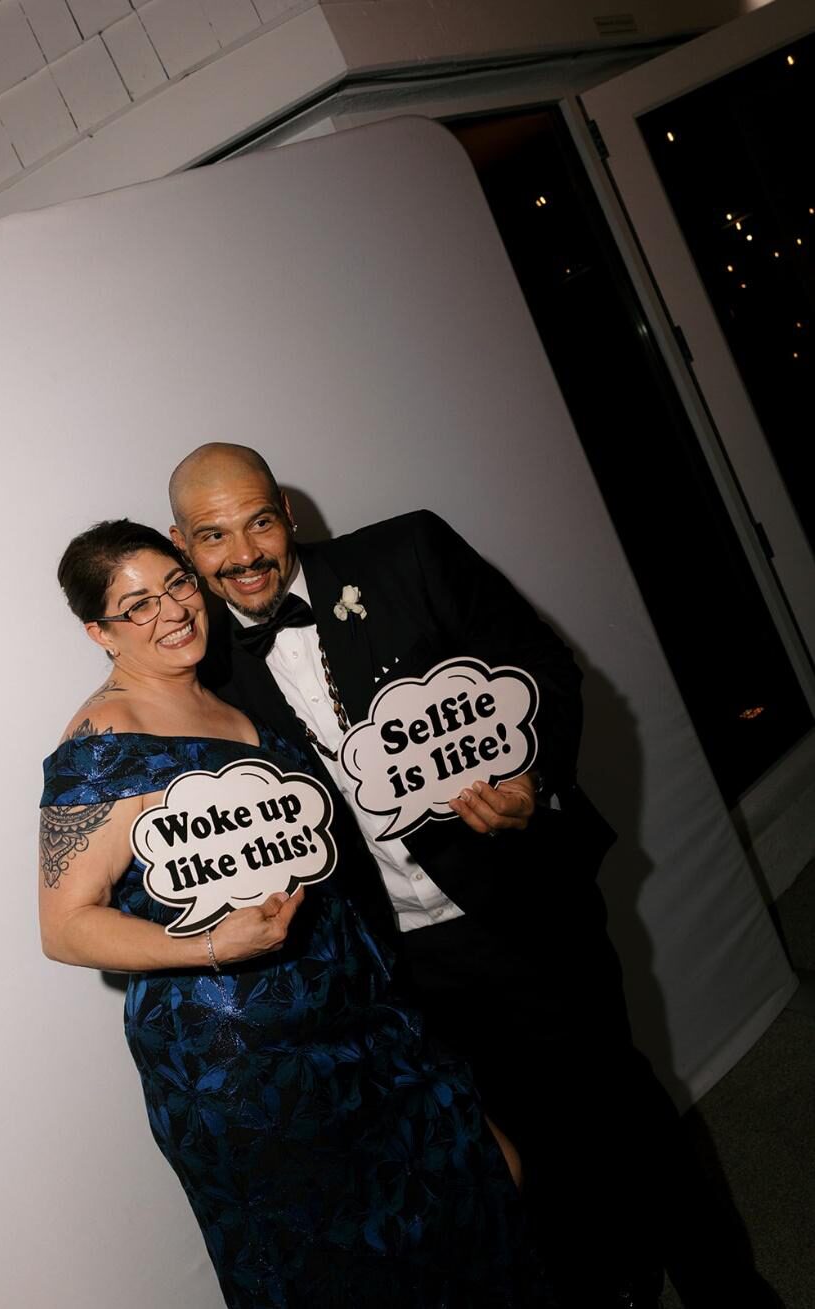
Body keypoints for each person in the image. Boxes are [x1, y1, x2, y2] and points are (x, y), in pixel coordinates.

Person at [168, 443, 783, 1309]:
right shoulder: (200, 673)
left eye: (259, 521)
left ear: (289, 513)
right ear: (183, 543)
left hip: (516, 904)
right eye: (214, 534)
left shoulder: (408, 553)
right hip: (399, 963)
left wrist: (534, 778)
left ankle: (728, 1292)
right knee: (518, 1153)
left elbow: (547, 670)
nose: (244, 553)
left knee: (622, 1114)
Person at [38, 518, 557, 1309]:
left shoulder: (230, 704)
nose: (171, 610)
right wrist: (213, 942)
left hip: (361, 1012)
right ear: (98, 632)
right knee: (340, 1274)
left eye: (176, 583)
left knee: (479, 1180)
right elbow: (65, 924)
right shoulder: (104, 740)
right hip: (243, 1057)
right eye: (135, 605)